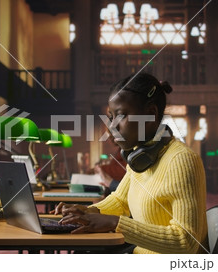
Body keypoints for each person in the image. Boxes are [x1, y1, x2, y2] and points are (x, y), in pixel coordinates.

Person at [54, 73, 208, 254]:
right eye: (111, 117)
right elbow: (120, 200)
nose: (112, 127)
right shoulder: (141, 158)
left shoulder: (182, 160)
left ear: (151, 114)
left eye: (121, 116)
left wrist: (115, 223)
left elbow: (186, 242)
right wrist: (89, 212)